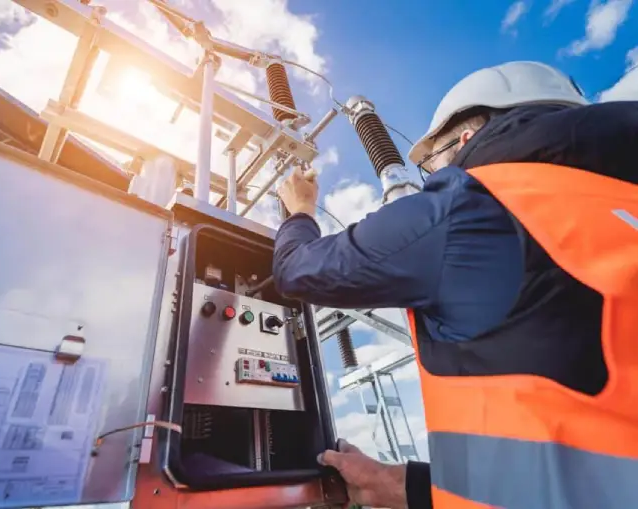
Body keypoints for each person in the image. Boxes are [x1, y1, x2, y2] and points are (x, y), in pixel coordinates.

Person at [273, 61, 638, 509]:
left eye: (431, 163)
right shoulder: (621, 203)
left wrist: (299, 212)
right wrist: (401, 486)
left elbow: (297, 269)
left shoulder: (471, 205)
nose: (432, 178)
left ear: (464, 139)